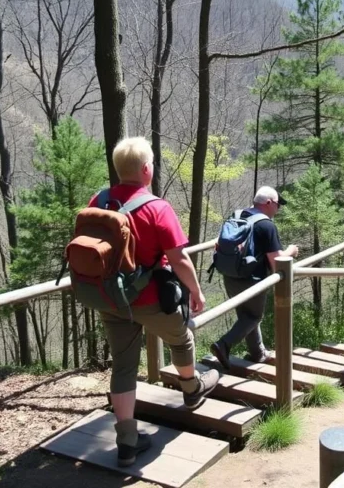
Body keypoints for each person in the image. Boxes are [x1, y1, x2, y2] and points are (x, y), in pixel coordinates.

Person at [93, 137, 218, 466]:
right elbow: (179, 260)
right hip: (149, 300)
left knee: (123, 367)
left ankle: (127, 441)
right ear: (146, 169)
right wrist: (196, 291)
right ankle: (191, 389)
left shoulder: (100, 200)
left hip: (111, 299)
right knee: (182, 337)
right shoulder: (157, 208)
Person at [210, 186, 298, 370]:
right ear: (268, 203)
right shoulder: (266, 225)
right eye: (277, 205)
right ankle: (223, 344)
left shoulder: (237, 215)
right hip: (252, 279)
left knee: (245, 315)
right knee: (254, 317)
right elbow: (277, 263)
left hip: (230, 274)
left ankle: (257, 353)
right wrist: (291, 251)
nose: (278, 209)